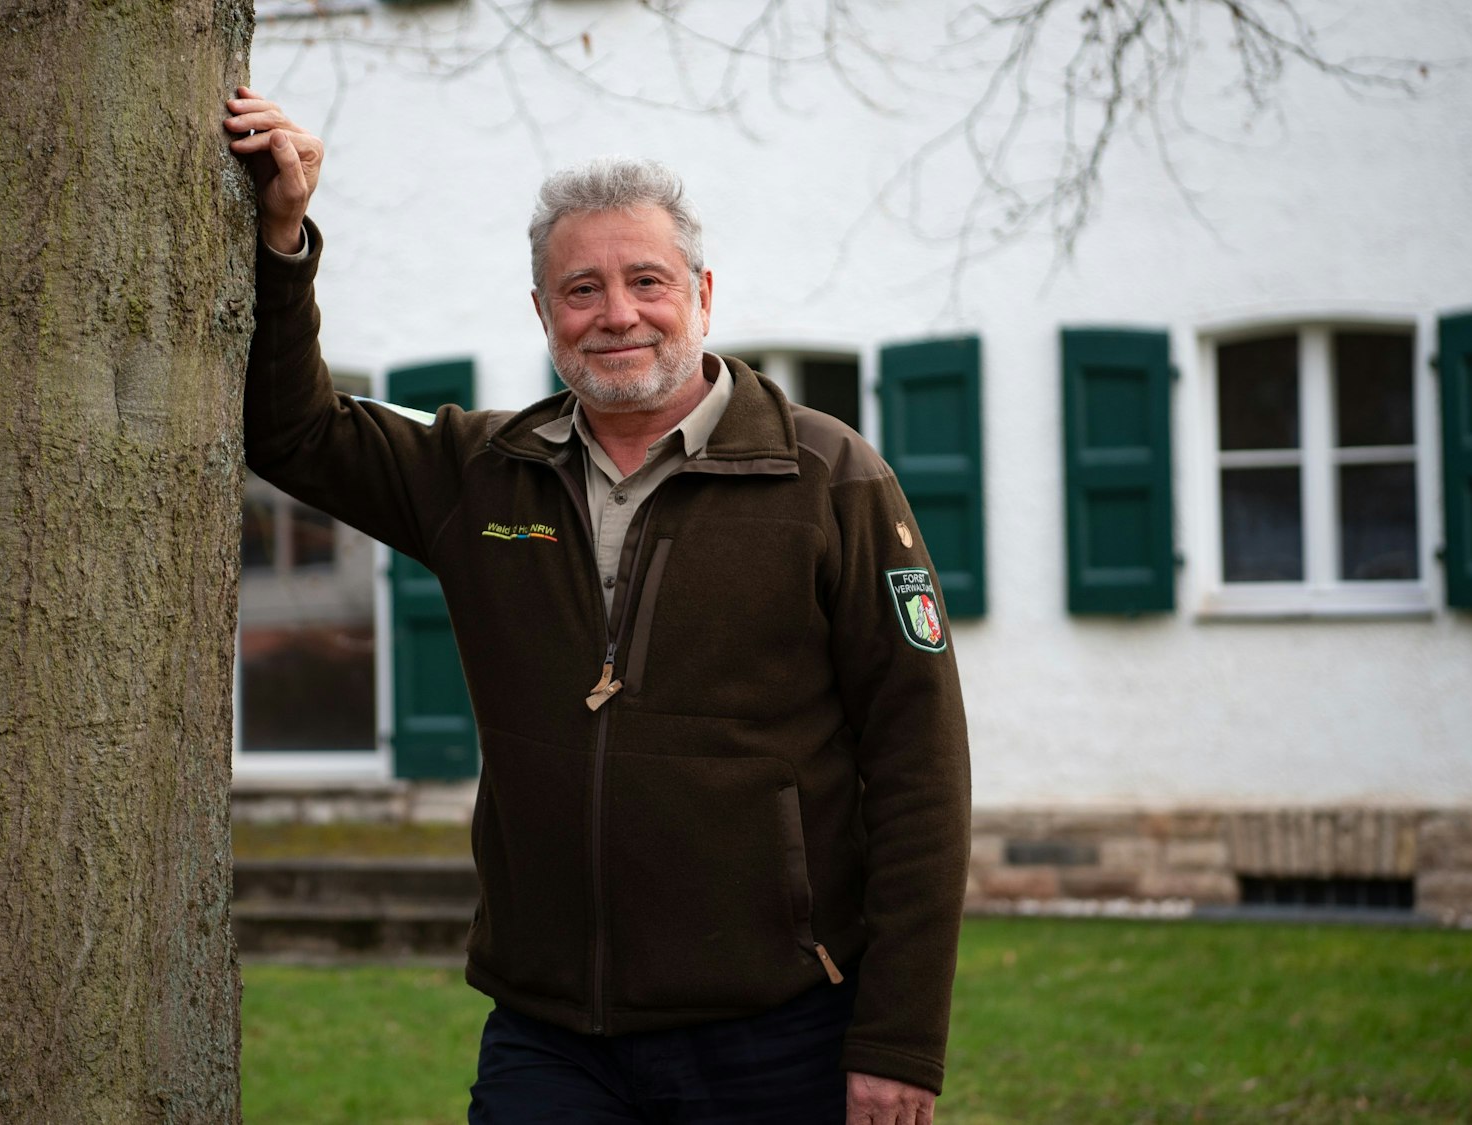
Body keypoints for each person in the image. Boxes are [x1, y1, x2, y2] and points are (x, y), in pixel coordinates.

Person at [225, 89, 970, 1125]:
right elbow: (288, 431)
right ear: (542, 314)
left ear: (700, 294)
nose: (615, 313)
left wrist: (897, 1040)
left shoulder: (828, 478)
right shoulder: (480, 473)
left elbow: (918, 769)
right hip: (550, 1037)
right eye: (580, 289)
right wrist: (283, 238)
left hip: (775, 1029)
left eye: (645, 281)